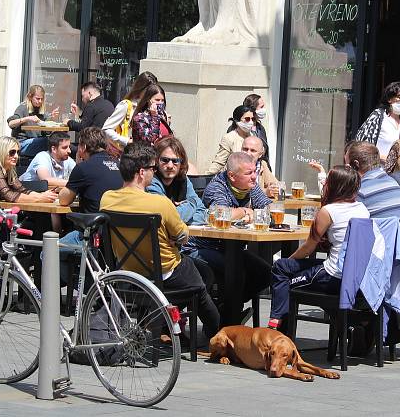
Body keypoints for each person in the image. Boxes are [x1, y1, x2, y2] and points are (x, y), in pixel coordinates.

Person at [100, 142, 220, 340]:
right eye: (152, 168)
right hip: (165, 272)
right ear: (141, 172)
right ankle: (215, 337)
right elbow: (183, 235)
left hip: (127, 272)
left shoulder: (107, 199)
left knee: (199, 273)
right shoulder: (160, 203)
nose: (154, 172)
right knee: (201, 281)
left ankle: (165, 323)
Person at [267, 166, 369, 331]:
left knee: (282, 273)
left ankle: (276, 328)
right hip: (353, 275)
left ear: (334, 185)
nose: (325, 183)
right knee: (282, 267)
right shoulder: (362, 209)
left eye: (328, 180)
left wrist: (289, 260)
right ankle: (351, 321)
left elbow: (308, 248)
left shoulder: (328, 211)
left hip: (332, 276)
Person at [191, 152, 272, 317]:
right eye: (249, 173)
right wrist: (244, 211)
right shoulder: (217, 187)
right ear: (232, 176)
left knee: (267, 273)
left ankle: (226, 310)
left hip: (231, 248)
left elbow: (267, 208)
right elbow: (221, 214)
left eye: (255, 171)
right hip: (203, 247)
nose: (254, 177)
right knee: (237, 271)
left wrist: (252, 214)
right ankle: (229, 320)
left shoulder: (251, 186)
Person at [0, 136, 58, 203]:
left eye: (17, 152)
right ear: (2, 152)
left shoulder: (8, 170)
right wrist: (40, 198)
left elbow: (23, 190)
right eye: (12, 152)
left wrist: (44, 196)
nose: (16, 156)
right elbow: (9, 195)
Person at [59, 127, 122, 213]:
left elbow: (63, 200)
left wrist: (78, 165)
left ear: (84, 147)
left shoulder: (83, 168)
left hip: (95, 222)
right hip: (118, 221)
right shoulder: (119, 165)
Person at [146, 137, 207, 226]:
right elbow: (167, 219)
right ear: (156, 160)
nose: (170, 165)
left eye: (175, 161)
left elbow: (203, 214)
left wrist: (179, 213)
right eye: (165, 160)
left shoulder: (183, 180)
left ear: (181, 163)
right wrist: (191, 204)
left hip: (179, 236)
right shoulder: (151, 181)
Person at [345, 141, 400, 218]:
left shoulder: (360, 190)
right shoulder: (392, 182)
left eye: (347, 166)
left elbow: (346, 221)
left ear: (356, 164)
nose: (346, 170)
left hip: (382, 229)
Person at [353, 81, 400, 159]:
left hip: (398, 170)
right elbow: (362, 143)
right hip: (377, 167)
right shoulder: (378, 116)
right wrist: (381, 157)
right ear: (389, 99)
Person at [102, 71, 158, 150]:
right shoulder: (126, 105)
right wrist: (126, 141)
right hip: (127, 154)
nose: (151, 93)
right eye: (149, 90)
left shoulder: (151, 108)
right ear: (141, 89)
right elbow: (106, 129)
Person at [7, 85, 59, 157]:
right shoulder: (23, 108)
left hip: (35, 141)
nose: (40, 101)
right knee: (49, 143)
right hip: (21, 144)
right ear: (30, 97)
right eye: (37, 99)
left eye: (42, 99)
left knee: (57, 141)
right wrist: (27, 118)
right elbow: (11, 123)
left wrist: (51, 118)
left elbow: (46, 131)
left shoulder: (41, 110)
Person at [206, 105, 256, 174]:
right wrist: (205, 177)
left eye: (252, 119)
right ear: (237, 121)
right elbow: (219, 162)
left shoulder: (253, 136)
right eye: (247, 119)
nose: (251, 122)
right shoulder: (229, 138)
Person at [241, 93, 270, 162]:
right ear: (253, 109)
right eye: (261, 107)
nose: (264, 109)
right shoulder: (239, 129)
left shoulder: (260, 128)